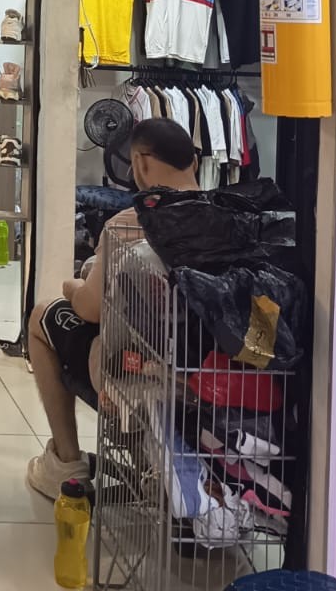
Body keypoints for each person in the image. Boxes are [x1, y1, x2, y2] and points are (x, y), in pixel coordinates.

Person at [25, 118, 199, 498]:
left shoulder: (129, 223)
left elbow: (90, 309)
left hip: (131, 370)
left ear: (140, 164)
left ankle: (65, 462)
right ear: (195, 164)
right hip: (202, 370)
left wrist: (73, 286)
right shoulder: (223, 218)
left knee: (43, 315)